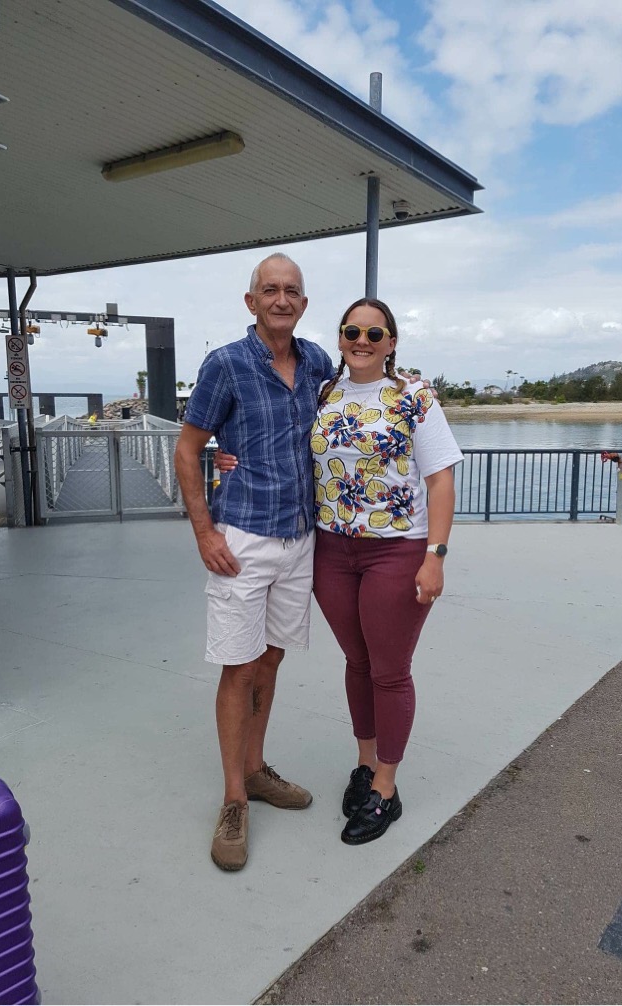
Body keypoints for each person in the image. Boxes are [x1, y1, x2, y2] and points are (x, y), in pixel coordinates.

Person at [174, 253, 334, 872]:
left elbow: (358, 401)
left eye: (292, 290)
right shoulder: (226, 365)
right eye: (270, 289)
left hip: (300, 538)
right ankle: (235, 799)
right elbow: (189, 450)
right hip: (242, 538)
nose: (281, 299)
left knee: (271, 656)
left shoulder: (318, 360)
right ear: (251, 302)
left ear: (303, 301)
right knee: (239, 668)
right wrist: (203, 530)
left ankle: (257, 768)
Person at [311, 298, 463, 844]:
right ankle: (366, 763)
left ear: (392, 343)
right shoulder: (324, 394)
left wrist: (435, 556)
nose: (362, 340)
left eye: (375, 334)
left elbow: (441, 481)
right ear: (341, 337)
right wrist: (228, 457)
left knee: (389, 670)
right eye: (352, 331)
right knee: (357, 661)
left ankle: (387, 788)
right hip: (332, 550)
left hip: (396, 551)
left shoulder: (414, 397)